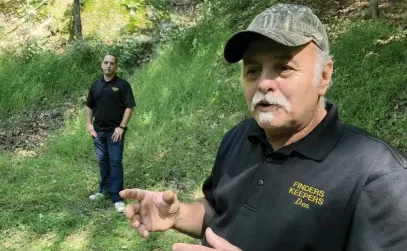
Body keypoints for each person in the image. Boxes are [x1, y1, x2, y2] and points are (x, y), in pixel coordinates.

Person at [120, 4, 407, 250]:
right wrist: (178, 214)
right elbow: (221, 213)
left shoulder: (377, 178)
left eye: (284, 68)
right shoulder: (239, 137)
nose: (264, 83)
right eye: (253, 70)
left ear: (324, 76)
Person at [86, 54, 136, 213]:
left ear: (116, 67)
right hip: (98, 132)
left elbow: (129, 107)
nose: (108, 65)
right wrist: (88, 124)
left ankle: (117, 196)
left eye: (112, 63)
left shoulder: (123, 85)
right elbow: (89, 106)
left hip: (115, 132)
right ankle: (104, 191)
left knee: (115, 162)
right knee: (103, 162)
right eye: (106, 62)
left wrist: (121, 127)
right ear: (102, 65)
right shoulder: (95, 85)